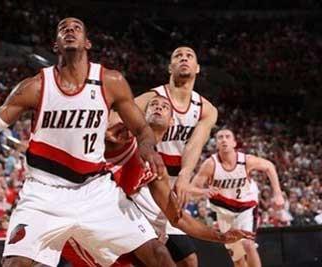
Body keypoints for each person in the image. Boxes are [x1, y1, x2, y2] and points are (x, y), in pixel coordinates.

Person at [0, 17, 174, 267]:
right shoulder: (35, 87)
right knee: (15, 264)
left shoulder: (111, 81)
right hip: (43, 193)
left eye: (77, 28)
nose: (70, 30)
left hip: (95, 190)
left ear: (87, 43)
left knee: (158, 255)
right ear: (56, 45)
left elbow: (141, 128)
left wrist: (146, 145)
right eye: (63, 28)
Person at [62, 96, 254, 266]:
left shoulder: (156, 167)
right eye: (153, 104)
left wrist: (220, 237)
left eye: (164, 106)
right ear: (142, 117)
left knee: (163, 255)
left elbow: (177, 218)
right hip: (75, 212)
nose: (158, 107)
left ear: (172, 122)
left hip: (108, 225)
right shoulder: (124, 136)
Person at [109, 46, 218, 267]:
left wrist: (186, 177)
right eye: (178, 56)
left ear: (197, 68)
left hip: (170, 184)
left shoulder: (206, 109)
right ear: (170, 67)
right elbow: (115, 117)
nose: (184, 59)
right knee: (153, 253)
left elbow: (194, 147)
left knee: (186, 259)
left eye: (189, 56)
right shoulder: (153, 98)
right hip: (143, 179)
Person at [190, 128, 285, 267]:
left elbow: (269, 166)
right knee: (238, 259)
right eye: (220, 137)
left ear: (234, 143)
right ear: (216, 144)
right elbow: (192, 189)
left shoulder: (246, 160)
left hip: (246, 207)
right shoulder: (210, 164)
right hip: (224, 213)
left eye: (227, 137)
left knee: (248, 244)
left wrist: (278, 193)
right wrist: (204, 191)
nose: (223, 140)